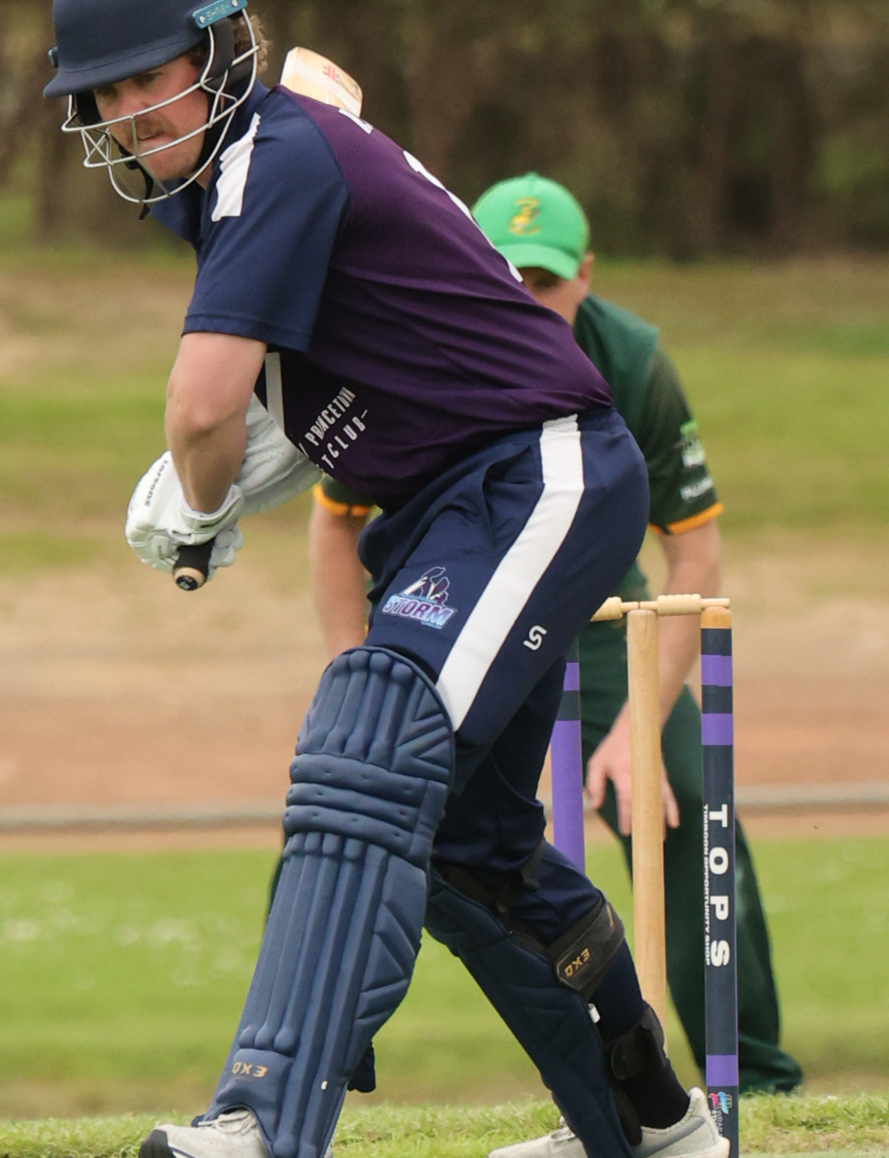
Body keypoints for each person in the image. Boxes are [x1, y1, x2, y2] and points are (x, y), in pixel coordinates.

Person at [43, 0, 728, 1158]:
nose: (130, 113)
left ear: (211, 53)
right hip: (441, 506)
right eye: (106, 96)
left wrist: (196, 510)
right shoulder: (258, 165)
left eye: (150, 79)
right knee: (468, 844)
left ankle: (267, 1122)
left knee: (370, 749)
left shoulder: (273, 154)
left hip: (535, 473)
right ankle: (647, 1119)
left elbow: (202, 409)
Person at [310, 174, 804, 1094]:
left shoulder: (632, 357)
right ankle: (316, 1053)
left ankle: (759, 1079)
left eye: (548, 282)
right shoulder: (411, 345)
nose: (530, 299)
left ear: (585, 274)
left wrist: (640, 730)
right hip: (453, 600)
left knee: (691, 802)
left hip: (596, 608)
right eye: (509, 277)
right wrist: (352, 664)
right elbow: (334, 519)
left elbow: (696, 560)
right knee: (357, 793)